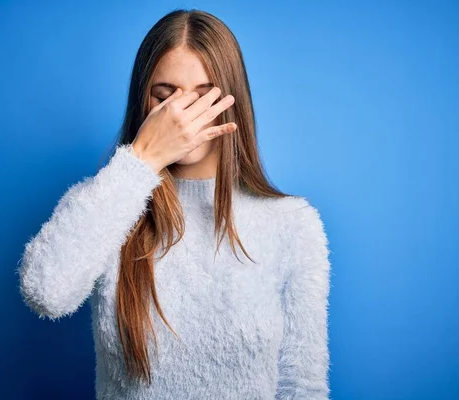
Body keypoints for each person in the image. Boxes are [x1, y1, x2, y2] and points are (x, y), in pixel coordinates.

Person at [17, 8, 332, 400]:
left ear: (233, 103)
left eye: (203, 98)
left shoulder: (292, 223)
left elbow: (302, 386)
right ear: (143, 103)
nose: (182, 118)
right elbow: (45, 291)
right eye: (165, 98)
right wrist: (142, 161)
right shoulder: (105, 203)